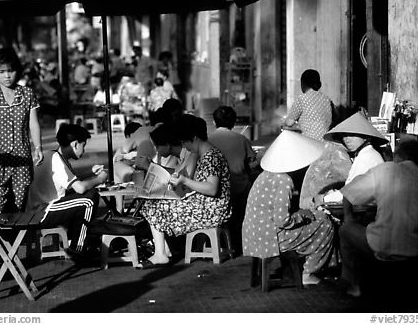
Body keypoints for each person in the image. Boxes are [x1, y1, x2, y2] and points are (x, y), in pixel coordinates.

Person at [0, 47, 44, 275]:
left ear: (17, 71)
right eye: (2, 71)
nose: (6, 75)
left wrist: (38, 147)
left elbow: (33, 124)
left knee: (17, 212)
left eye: (10, 70)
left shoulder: (28, 94)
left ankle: (6, 257)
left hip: (22, 161)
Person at [337, 140, 418, 298]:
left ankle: (354, 285)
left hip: (383, 246)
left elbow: (348, 194)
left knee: (346, 230)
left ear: (399, 155)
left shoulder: (383, 170)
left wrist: (349, 218)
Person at [242, 130, 335, 285]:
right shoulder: (284, 180)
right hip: (271, 238)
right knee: (325, 223)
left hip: (253, 234)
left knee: (317, 219)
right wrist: (303, 215)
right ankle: (310, 272)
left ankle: (310, 267)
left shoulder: (264, 175)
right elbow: (282, 220)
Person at [138, 114, 231, 268]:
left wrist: (185, 181)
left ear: (194, 138)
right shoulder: (206, 154)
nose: (184, 147)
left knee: (153, 207)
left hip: (212, 210)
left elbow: (212, 189)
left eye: (184, 142)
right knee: (153, 204)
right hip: (207, 205)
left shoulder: (210, 156)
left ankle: (161, 254)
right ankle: (163, 251)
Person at [27, 124, 106, 258]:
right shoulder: (57, 160)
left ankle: (75, 239)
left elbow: (72, 181)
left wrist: (90, 172)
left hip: (42, 207)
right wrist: (100, 179)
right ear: (75, 144)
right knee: (88, 199)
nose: (84, 150)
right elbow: (80, 188)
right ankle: (78, 249)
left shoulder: (54, 155)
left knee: (89, 195)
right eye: (83, 145)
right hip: (42, 212)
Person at [208, 106, 258, 255]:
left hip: (216, 191)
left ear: (214, 121)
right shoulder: (242, 139)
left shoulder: (208, 140)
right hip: (239, 189)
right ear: (234, 122)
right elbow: (251, 164)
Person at [322, 112, 387, 204]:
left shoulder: (367, 157)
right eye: (344, 135)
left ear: (364, 137)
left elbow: (351, 192)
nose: (347, 139)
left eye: (351, 135)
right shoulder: (364, 154)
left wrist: (326, 199)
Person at [284, 69, 333, 140]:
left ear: (303, 84)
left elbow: (289, 123)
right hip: (324, 141)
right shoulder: (327, 100)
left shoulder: (302, 99)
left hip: (307, 141)